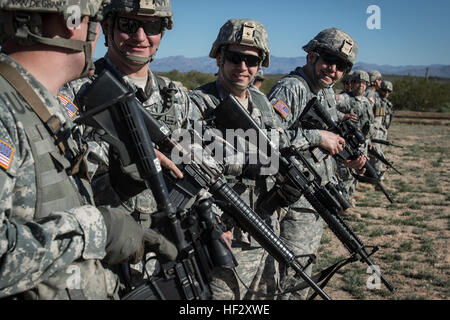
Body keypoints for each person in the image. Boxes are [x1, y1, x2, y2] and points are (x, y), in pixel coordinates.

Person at [0, 0, 168, 300]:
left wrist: (116, 188)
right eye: (97, 17)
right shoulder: (6, 110)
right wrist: (97, 230)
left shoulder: (41, 110)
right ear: (73, 20)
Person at [189, 18, 289, 300]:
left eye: (251, 60)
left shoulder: (261, 103)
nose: (243, 67)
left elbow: (277, 145)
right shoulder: (197, 103)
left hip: (265, 230)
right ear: (219, 57)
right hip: (224, 234)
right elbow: (187, 163)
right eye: (235, 57)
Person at [267, 28, 366, 299]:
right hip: (293, 199)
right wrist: (317, 136)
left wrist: (351, 159)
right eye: (328, 60)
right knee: (292, 277)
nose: (332, 69)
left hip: (313, 197)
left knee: (303, 270)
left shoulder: (325, 92)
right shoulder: (292, 88)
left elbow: (329, 137)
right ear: (312, 55)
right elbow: (267, 139)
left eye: (341, 66)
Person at [336, 70, 374, 202]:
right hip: (348, 144)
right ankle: (343, 203)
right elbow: (327, 106)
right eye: (358, 82)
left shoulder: (367, 102)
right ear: (352, 83)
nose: (361, 85)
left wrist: (369, 140)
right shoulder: (346, 98)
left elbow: (369, 123)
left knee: (358, 171)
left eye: (364, 83)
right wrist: (343, 116)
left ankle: (350, 197)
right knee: (345, 173)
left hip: (362, 143)